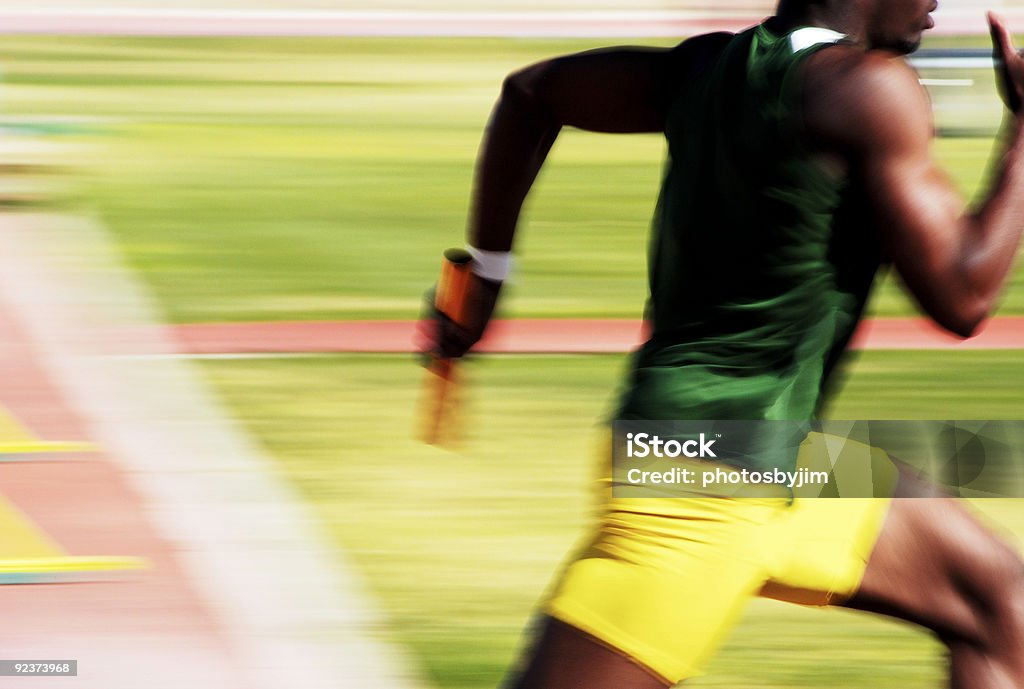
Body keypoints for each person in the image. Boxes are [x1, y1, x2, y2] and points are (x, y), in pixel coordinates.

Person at [426, 1, 1024, 686]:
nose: (935, 2)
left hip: (778, 459)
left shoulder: (707, 67)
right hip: (701, 484)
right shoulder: (870, 87)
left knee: (1001, 598)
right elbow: (964, 297)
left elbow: (531, 93)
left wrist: (485, 280)